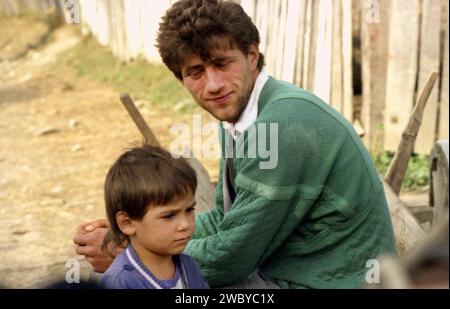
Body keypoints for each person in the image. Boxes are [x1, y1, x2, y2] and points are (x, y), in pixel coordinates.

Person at [74, 0, 396, 288]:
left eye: (222, 63)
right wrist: (135, 235)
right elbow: (222, 218)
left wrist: (132, 254)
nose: (213, 85)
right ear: (180, 78)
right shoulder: (239, 117)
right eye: (196, 72)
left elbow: (230, 260)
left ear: (252, 55)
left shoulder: (281, 125)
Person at [98, 145, 208, 289]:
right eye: (169, 216)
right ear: (127, 223)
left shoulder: (188, 266)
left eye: (189, 210)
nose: (185, 224)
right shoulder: (120, 283)